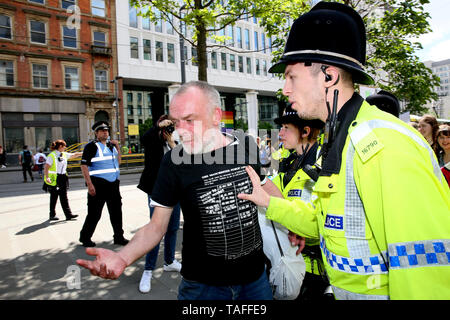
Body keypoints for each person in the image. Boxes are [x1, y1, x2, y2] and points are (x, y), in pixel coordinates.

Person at [238, 1, 450, 300]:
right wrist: (269, 202)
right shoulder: (342, 137)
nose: (285, 89)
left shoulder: (382, 144)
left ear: (328, 76)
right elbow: (323, 223)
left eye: (291, 76)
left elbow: (424, 265)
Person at [77, 81, 272, 300]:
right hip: (203, 288)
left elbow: (266, 187)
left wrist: (293, 223)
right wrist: (123, 258)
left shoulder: (246, 145)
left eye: (190, 120)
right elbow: (156, 227)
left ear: (216, 116)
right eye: (176, 122)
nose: (181, 131)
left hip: (255, 281)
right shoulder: (174, 162)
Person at [262, 104, 329, 301]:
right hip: (283, 264)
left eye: (286, 128)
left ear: (306, 131)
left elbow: (318, 225)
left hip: (313, 274)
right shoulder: (285, 160)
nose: (279, 133)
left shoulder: (324, 167)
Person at [137, 114, 182, 293]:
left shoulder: (173, 142)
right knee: (156, 230)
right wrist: (158, 127)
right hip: (157, 191)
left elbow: (181, 161)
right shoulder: (152, 140)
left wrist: (171, 140)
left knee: (172, 228)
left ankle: (169, 261)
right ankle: (148, 270)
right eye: (167, 127)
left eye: (171, 126)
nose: (168, 130)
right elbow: (144, 138)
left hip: (175, 192)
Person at [78, 121, 129, 248]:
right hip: (98, 184)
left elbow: (119, 163)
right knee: (94, 214)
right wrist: (89, 185)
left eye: (106, 130)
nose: (105, 132)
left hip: (113, 185)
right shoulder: (91, 146)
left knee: (116, 212)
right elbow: (84, 165)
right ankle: (85, 237)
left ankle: (119, 237)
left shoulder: (111, 146)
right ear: (96, 133)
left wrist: (117, 148)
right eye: (102, 131)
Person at [43, 140, 82, 221]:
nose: (65, 147)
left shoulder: (64, 154)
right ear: (60, 146)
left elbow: (74, 155)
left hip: (63, 177)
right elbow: (46, 167)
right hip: (55, 178)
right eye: (64, 146)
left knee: (64, 196)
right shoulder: (52, 155)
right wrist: (47, 177)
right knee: (54, 197)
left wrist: (85, 153)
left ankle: (68, 215)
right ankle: (52, 215)